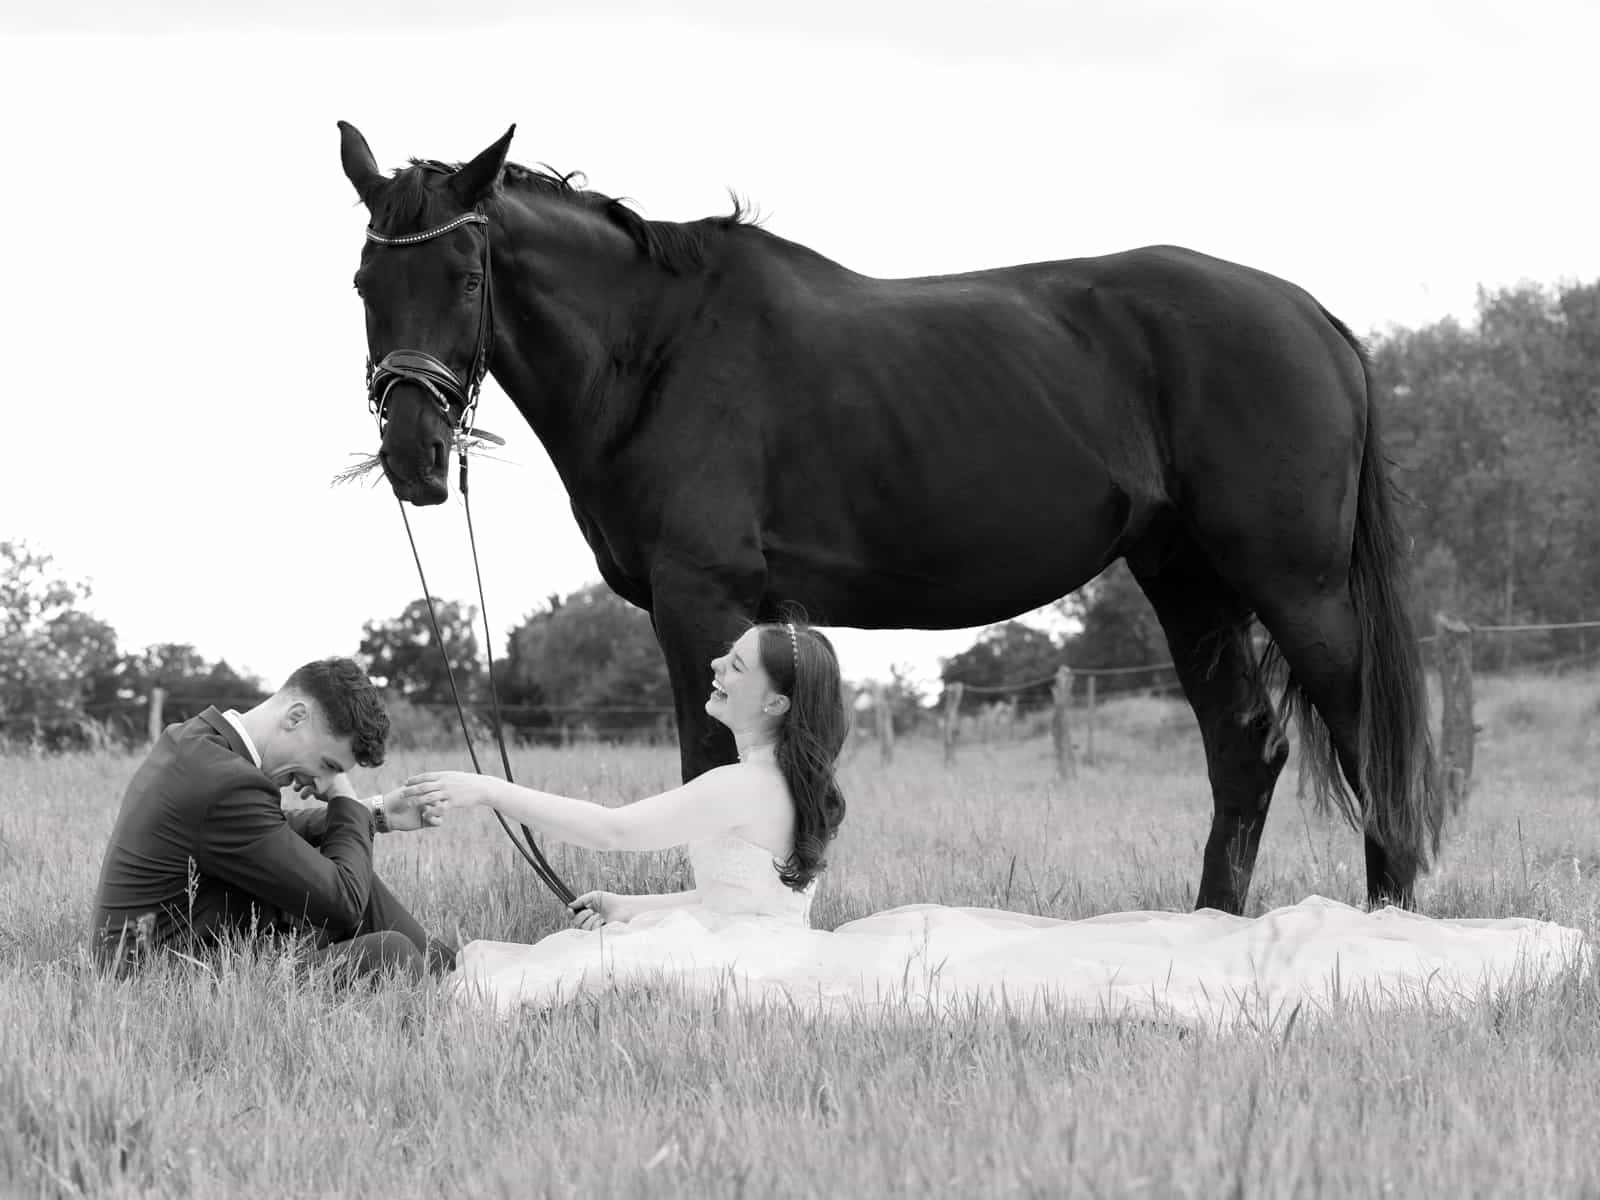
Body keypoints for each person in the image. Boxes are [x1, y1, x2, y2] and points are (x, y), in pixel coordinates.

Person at [406, 623, 1584, 1024]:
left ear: (772, 698)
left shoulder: (733, 780)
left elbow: (609, 828)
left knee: (534, 981)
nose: (710, 667)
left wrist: (485, 789)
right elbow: (742, 901)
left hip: (764, 972)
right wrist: (648, 908)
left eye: (731, 663)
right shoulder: (787, 785)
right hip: (769, 945)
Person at [91, 657, 452, 983]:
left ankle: (459, 980)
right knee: (392, 956)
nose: (321, 784)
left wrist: (374, 813)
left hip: (187, 949)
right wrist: (345, 799)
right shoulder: (226, 783)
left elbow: (273, 832)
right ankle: (460, 987)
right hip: (160, 980)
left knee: (347, 868)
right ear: (295, 717)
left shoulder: (199, 740)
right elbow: (343, 904)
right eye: (328, 766)